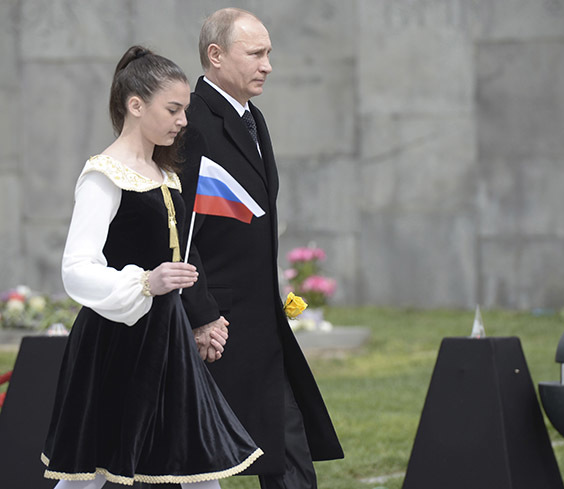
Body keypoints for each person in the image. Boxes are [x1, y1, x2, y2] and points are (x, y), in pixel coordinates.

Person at [41, 45, 262, 489]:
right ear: (135, 105)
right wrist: (146, 281)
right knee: (90, 470)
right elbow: (76, 267)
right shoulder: (104, 176)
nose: (184, 120)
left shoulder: (168, 175)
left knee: (197, 459)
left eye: (184, 110)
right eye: (174, 109)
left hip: (168, 336)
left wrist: (202, 318)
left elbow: (182, 255)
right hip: (116, 340)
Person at [179, 8, 343, 489]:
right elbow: (177, 231)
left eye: (268, 53)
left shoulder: (254, 118)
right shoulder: (189, 123)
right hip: (217, 328)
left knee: (288, 447)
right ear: (215, 55)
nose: (268, 64)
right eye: (256, 53)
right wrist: (201, 313)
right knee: (184, 462)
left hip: (259, 322)